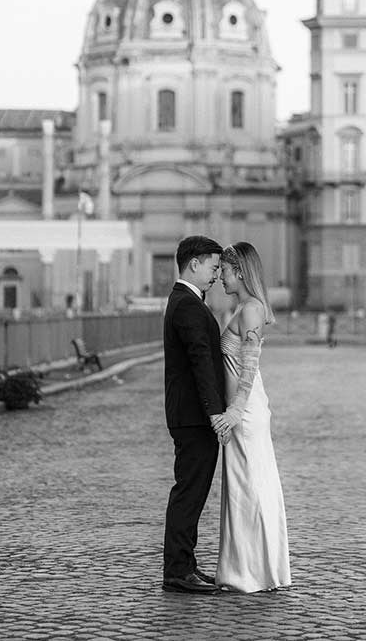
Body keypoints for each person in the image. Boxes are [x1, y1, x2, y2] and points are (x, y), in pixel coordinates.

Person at [212, 242, 291, 594]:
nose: (221, 279)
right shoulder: (245, 308)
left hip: (244, 411)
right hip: (243, 410)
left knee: (250, 490)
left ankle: (252, 572)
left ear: (239, 271)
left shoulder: (251, 310)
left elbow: (249, 366)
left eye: (225, 272)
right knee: (243, 489)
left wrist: (234, 410)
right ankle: (249, 568)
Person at [162, 235, 227, 595]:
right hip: (193, 416)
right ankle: (176, 570)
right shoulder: (187, 304)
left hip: (191, 414)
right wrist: (215, 412)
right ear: (195, 264)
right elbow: (200, 361)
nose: (217, 274)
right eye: (214, 266)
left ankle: (185, 564)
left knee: (193, 492)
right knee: (189, 492)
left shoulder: (187, 300)